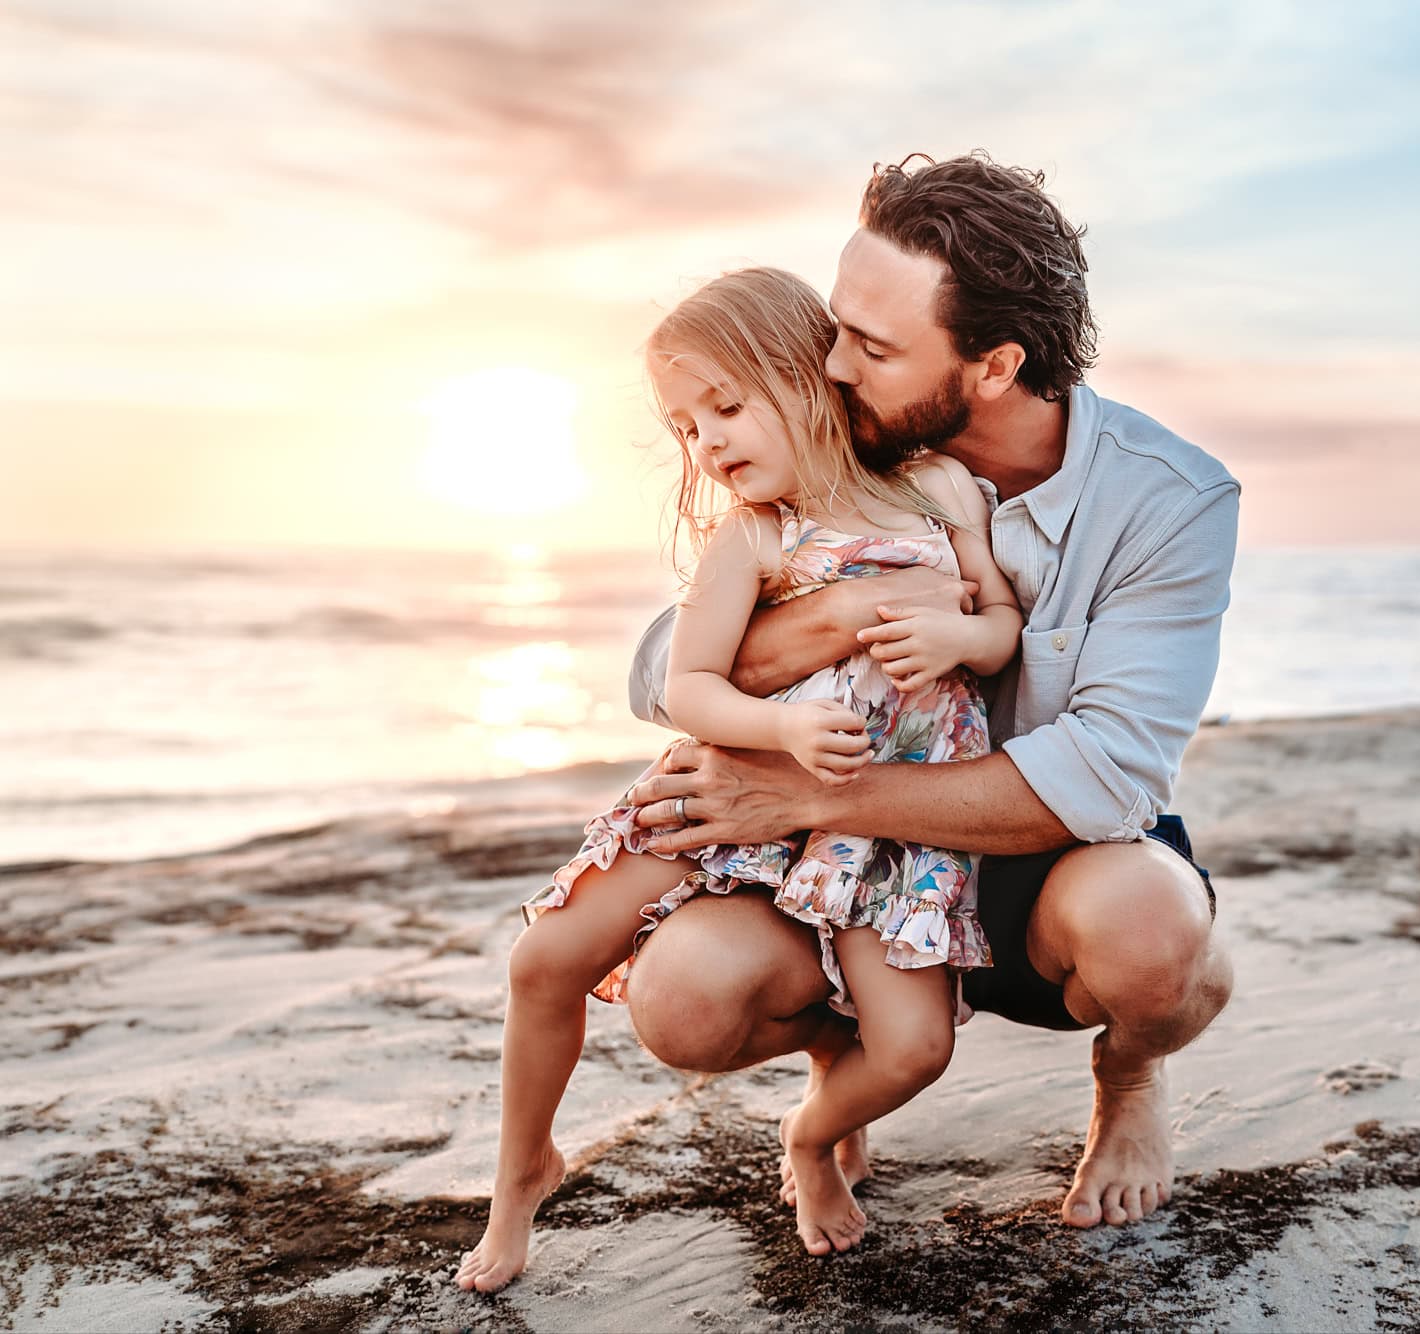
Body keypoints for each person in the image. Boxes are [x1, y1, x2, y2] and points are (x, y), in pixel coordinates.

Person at [622, 153, 1240, 1232]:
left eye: (871, 343)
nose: (832, 364)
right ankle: (841, 1051)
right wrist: (831, 619)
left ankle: (1130, 1077)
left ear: (994, 365)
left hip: (1042, 864)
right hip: (844, 870)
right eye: (837, 323)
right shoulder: (834, 437)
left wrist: (808, 798)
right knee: (678, 1002)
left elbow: (1103, 773)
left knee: (1153, 938)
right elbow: (654, 672)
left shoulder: (1169, 499)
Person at [454, 265, 1022, 1290]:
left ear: (810, 377)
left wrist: (958, 633)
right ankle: (520, 1172)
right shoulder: (754, 536)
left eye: (724, 405)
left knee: (911, 1047)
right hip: (737, 791)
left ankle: (811, 1133)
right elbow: (691, 686)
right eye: (683, 426)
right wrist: (780, 721)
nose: (705, 441)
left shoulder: (933, 488)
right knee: (546, 958)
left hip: (878, 820)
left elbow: (998, 628)